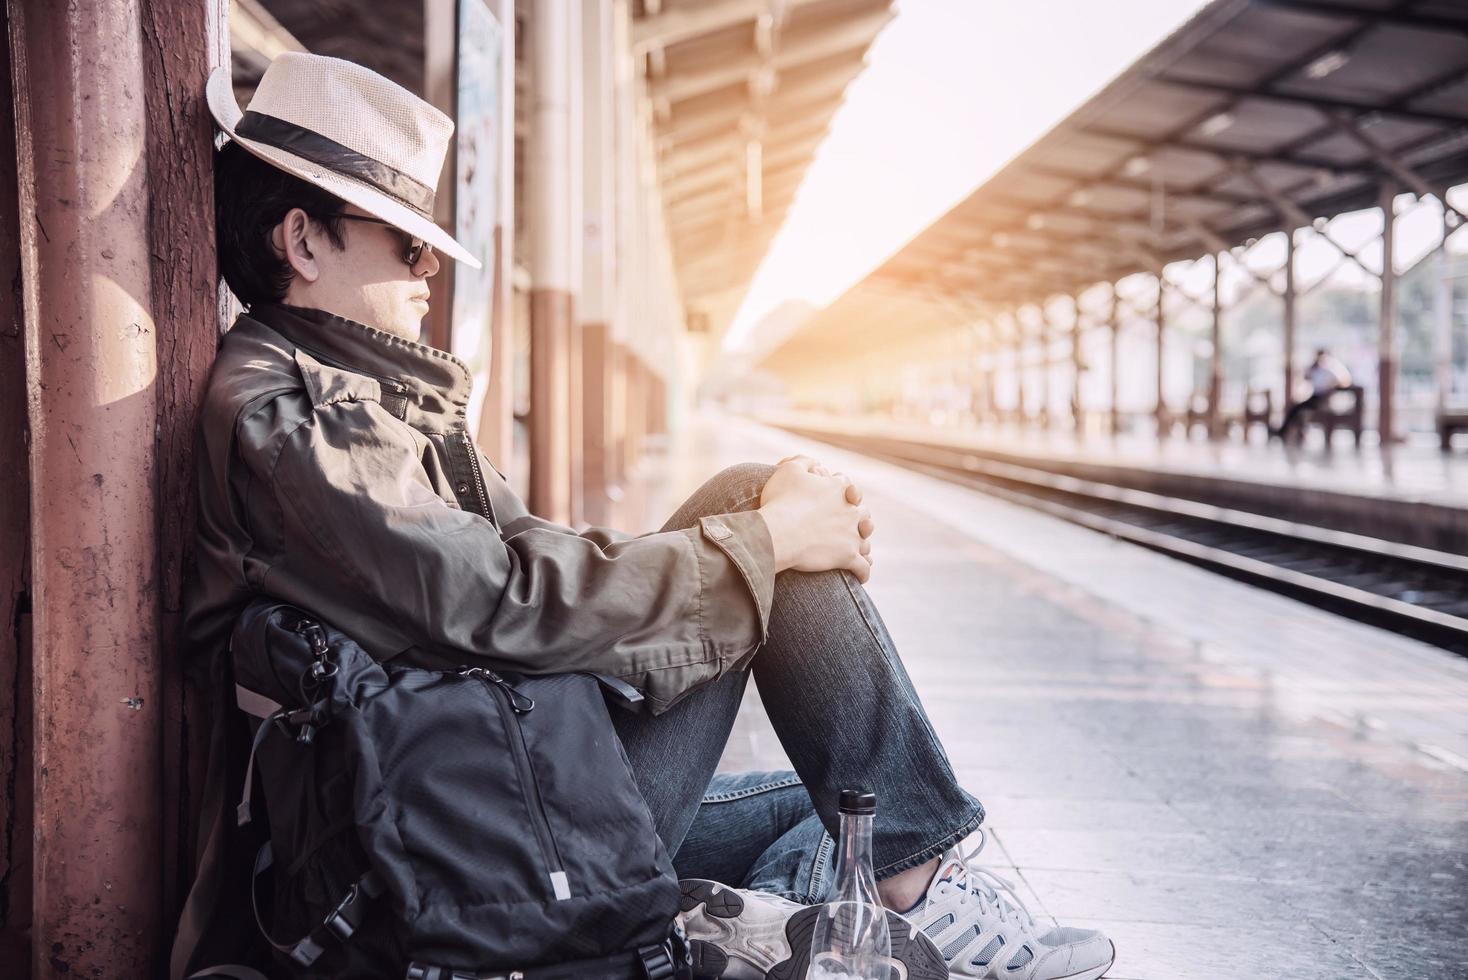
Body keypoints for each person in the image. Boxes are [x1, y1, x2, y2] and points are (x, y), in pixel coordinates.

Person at [177, 52, 1116, 980]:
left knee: (842, 798)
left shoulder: (360, 395)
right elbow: (503, 602)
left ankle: (814, 899)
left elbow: (531, 555)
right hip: (455, 845)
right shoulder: (294, 421)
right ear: (301, 242)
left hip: (505, 781)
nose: (429, 269)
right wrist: (769, 541)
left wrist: (734, 550)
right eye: (406, 240)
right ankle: (898, 892)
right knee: (759, 520)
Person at [1272, 348, 1353, 441]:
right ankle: (1289, 432)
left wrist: (1331, 386)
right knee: (1296, 409)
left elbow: (1345, 381)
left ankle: (1283, 432)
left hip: (1322, 399)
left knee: (1297, 409)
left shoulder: (1331, 369)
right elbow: (1306, 377)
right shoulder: (1316, 369)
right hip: (1315, 398)